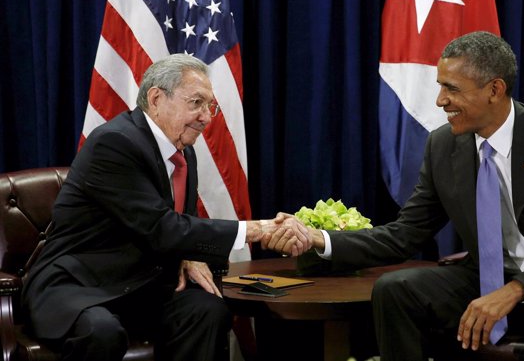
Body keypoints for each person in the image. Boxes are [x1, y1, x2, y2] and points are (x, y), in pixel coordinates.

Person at [265, 31, 524, 361]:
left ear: (495, 90)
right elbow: (405, 234)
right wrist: (320, 239)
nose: (441, 100)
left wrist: (517, 289)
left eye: (452, 88)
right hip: (485, 280)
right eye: (440, 86)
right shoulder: (443, 145)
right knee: (397, 289)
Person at [22, 54, 311, 361]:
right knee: (102, 332)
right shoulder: (115, 143)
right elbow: (160, 226)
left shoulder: (183, 152)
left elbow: (179, 224)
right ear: (156, 98)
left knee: (207, 311)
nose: (206, 117)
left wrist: (189, 253)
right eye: (196, 103)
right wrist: (257, 229)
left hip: (139, 286)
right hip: (78, 287)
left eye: (209, 106)